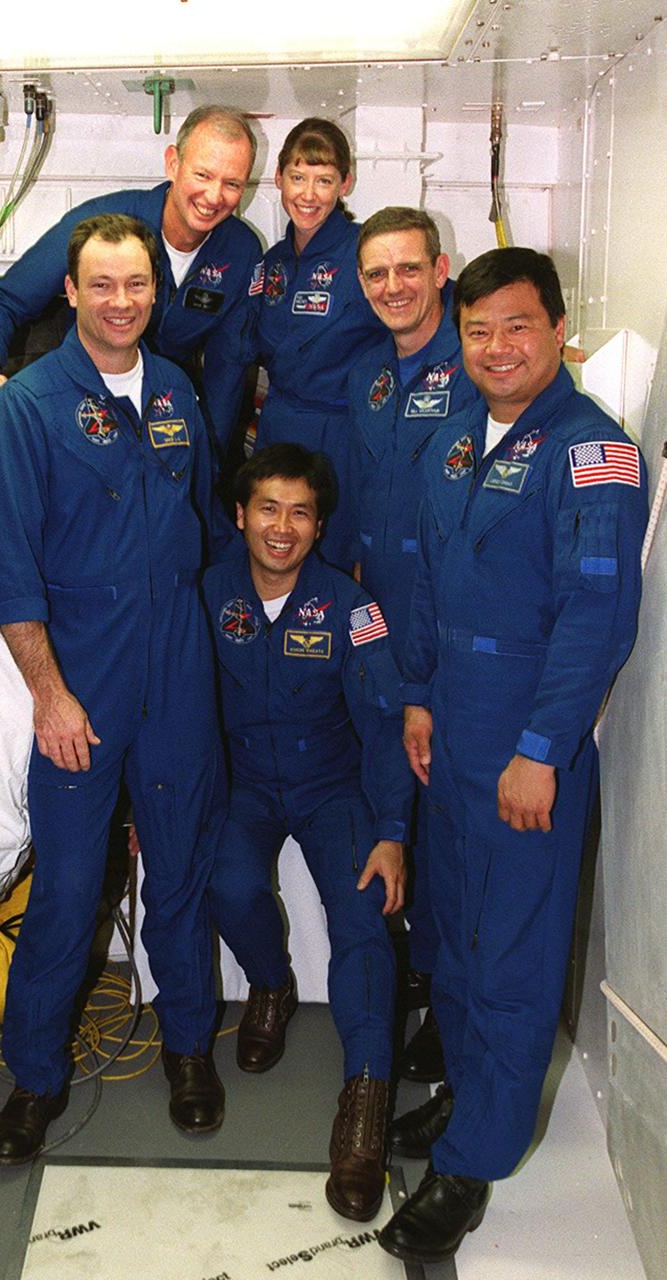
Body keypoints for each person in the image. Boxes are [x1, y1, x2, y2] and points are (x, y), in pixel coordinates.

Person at [379, 248, 648, 1267]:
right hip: (448, 736)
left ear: (554, 328)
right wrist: (412, 693)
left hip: (520, 753)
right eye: (477, 328)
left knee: (510, 962)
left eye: (516, 326)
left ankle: (473, 1160)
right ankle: (462, 1097)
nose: (494, 347)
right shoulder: (456, 440)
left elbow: (594, 618)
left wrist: (539, 751)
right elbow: (427, 584)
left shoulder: (591, 454)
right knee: (449, 937)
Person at [0, 213, 228, 1163]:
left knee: (181, 882)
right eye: (102, 285)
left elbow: (200, 531)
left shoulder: (175, 394)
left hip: (176, 684)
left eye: (137, 285)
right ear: (70, 293)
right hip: (79, 689)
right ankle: (35, 1079)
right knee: (69, 894)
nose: (121, 302)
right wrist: (48, 692)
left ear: (154, 292)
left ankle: (189, 1049)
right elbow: (5, 571)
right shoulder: (25, 410)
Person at [204, 443, 412, 1222]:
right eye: (266, 508)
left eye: (299, 512)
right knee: (224, 886)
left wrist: (389, 830)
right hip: (246, 786)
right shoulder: (207, 592)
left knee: (361, 923)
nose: (280, 527)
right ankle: (271, 984)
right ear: (239, 515)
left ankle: (363, 1109)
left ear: (318, 526)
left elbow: (387, 725)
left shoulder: (349, 608)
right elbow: (180, 707)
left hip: (334, 791)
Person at [348, 207, 482, 1082]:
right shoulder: (366, 374)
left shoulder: (474, 367)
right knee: (385, 783)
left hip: (446, 619)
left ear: (439, 269)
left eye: (406, 269)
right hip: (378, 616)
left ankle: (444, 991)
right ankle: (402, 971)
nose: (391, 287)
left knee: (445, 814)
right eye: (374, 274)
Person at [0, 105, 260, 457]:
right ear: (173, 164)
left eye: (232, 184)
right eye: (203, 175)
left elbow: (226, 371)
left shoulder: (241, 251)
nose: (213, 197)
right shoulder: (98, 226)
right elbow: (5, 300)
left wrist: (210, 464)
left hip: (164, 406)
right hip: (81, 396)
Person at [248, 118, 385, 568]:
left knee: (333, 561)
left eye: (324, 180)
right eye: (298, 177)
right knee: (274, 557)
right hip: (278, 428)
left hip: (341, 433)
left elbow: (432, 300)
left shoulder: (368, 250)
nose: (308, 194)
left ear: (345, 183)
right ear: (279, 178)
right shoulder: (273, 263)